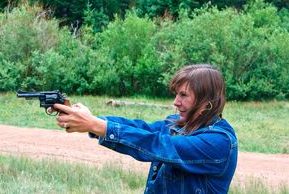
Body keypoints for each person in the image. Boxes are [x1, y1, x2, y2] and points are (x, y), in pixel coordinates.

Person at [53, 64, 238, 193]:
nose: (176, 102)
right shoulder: (179, 125)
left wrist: (95, 125)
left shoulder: (218, 142)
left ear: (206, 103)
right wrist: (91, 120)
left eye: (184, 95)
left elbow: (157, 145)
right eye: (176, 94)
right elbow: (141, 129)